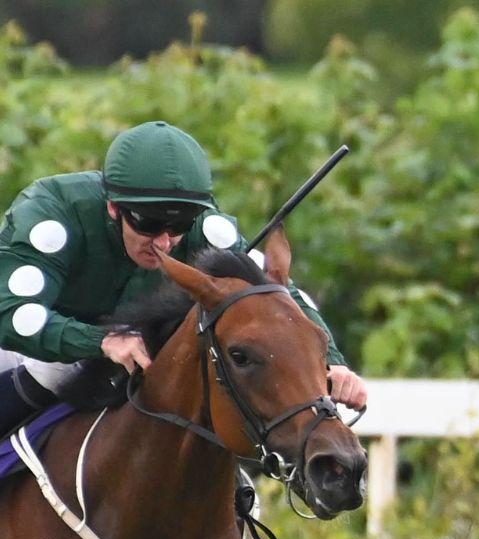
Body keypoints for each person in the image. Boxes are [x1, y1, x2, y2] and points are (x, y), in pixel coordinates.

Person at [0, 120, 368, 438]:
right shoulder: (52, 212)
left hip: (132, 348)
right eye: (148, 224)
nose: (164, 241)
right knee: (52, 372)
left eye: (178, 225)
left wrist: (332, 363)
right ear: (113, 206)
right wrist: (102, 340)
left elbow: (281, 295)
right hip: (29, 346)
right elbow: (12, 316)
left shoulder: (205, 229)